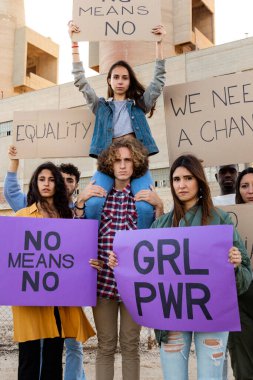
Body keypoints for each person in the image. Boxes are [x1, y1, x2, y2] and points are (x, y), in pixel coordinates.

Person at [145, 154, 251, 380]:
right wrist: (122, 262)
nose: (181, 185)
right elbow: (146, 271)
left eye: (188, 178)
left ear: (199, 181)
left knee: (210, 376)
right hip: (172, 312)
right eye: (176, 179)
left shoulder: (220, 220)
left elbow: (245, 276)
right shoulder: (161, 225)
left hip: (212, 311)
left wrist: (235, 264)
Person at [4, 146, 100, 380]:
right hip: (28, 298)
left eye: (50, 179)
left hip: (59, 298)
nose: (46, 183)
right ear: (35, 184)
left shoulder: (68, 218)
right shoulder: (22, 216)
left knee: (53, 356)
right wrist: (14, 162)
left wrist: (91, 263)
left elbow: (78, 253)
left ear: (57, 184)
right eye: (41, 179)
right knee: (28, 356)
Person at [75, 139, 164, 380]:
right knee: (105, 346)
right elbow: (79, 236)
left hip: (135, 284)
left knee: (130, 346)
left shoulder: (145, 197)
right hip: (103, 282)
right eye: (117, 160)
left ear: (135, 163)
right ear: (109, 164)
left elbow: (158, 241)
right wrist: (80, 202)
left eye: (127, 160)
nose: (123, 166)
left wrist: (159, 207)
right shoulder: (98, 196)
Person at [68, 21, 166, 227]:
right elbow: (81, 81)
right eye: (116, 77)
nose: (120, 81)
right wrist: (74, 43)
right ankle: (91, 245)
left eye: (125, 77)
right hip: (107, 163)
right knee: (93, 203)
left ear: (129, 81)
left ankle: (141, 249)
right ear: (109, 81)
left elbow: (157, 83)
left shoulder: (139, 106)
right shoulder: (101, 107)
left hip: (137, 164)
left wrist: (159, 43)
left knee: (145, 207)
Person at [228, 167, 253, 380]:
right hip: (241, 298)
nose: (250, 191)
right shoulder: (227, 219)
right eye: (245, 186)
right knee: (243, 365)